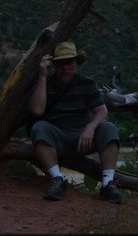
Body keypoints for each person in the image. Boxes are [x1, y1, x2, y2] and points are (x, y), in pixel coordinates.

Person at [28, 41, 125, 203]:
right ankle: (58, 179)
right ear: (55, 65)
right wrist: (43, 76)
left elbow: (102, 111)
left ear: (76, 64)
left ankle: (108, 184)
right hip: (56, 139)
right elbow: (37, 110)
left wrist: (90, 127)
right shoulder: (46, 84)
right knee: (39, 128)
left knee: (109, 129)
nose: (65, 68)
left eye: (69, 63)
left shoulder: (87, 84)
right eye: (61, 64)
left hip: (82, 139)